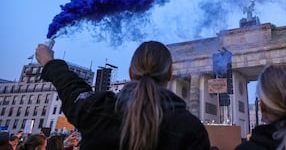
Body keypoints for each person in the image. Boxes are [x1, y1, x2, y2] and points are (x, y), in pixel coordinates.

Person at [35, 41, 210, 150]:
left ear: (131, 73)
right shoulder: (190, 128)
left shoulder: (99, 111)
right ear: (170, 73)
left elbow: (71, 87)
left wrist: (48, 62)